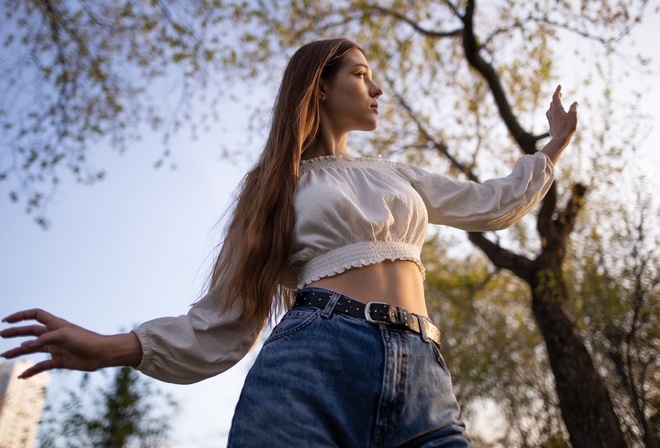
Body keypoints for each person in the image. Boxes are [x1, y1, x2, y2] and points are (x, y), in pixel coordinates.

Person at [1, 38, 577, 447]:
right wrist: (111, 347)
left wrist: (551, 146)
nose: (375, 87)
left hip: (425, 373)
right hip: (314, 360)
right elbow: (224, 319)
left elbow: (492, 203)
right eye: (359, 73)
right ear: (319, 86)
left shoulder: (397, 174)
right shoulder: (276, 184)